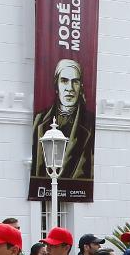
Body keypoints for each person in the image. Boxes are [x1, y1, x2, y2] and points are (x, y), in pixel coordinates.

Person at [30, 58, 95, 186]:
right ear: (56, 85)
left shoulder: (90, 123)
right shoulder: (39, 120)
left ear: (81, 87)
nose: (69, 88)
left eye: (75, 82)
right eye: (64, 81)